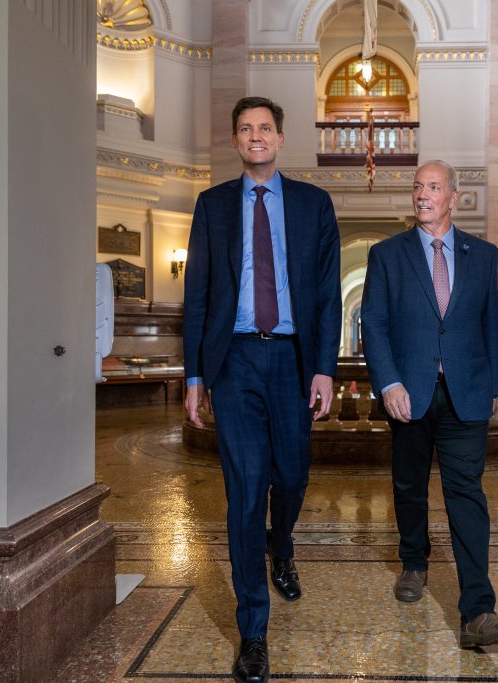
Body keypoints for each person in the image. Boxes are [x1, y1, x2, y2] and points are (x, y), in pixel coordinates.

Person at [182, 96, 341, 683]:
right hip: (236, 361)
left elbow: (328, 296)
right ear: (235, 140)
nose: (256, 136)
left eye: (265, 128)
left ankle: (282, 542)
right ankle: (254, 630)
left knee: (292, 476)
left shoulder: (313, 204)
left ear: (280, 138)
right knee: (246, 490)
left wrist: (324, 368)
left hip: (295, 361)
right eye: (246, 129)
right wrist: (194, 376)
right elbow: (196, 293)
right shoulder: (212, 205)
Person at [360, 160, 498, 649]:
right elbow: (375, 323)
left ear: (454, 197)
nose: (422, 194)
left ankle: (479, 609)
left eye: (433, 187)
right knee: (409, 485)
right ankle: (414, 561)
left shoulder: (484, 255)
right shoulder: (387, 255)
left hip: (464, 395)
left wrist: (489, 386)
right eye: (417, 187)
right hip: (408, 393)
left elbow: (490, 326)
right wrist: (388, 383)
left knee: (466, 494)